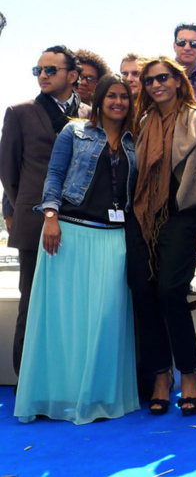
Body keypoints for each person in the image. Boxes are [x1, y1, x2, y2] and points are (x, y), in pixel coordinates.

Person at [14, 74, 139, 424]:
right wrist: (50, 216)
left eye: (124, 96)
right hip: (68, 234)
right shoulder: (74, 131)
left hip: (114, 237)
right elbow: (54, 175)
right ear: (98, 100)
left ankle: (98, 396)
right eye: (111, 96)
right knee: (63, 319)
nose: (118, 102)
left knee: (106, 318)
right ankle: (57, 396)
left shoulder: (135, 140)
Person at [125, 56, 196, 416]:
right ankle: (161, 377)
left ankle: (189, 373)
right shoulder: (142, 122)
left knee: (170, 293)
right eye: (149, 80)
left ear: (178, 80)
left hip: (181, 217)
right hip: (142, 218)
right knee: (143, 293)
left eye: (163, 77)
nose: (156, 84)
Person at [0, 45, 90, 380]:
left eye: (51, 70)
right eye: (38, 70)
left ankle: (69, 379)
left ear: (73, 75)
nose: (43, 75)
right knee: (33, 304)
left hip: (83, 223)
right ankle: (26, 381)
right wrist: (27, 210)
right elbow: (8, 170)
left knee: (75, 304)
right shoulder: (19, 112)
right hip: (35, 224)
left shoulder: (91, 113)